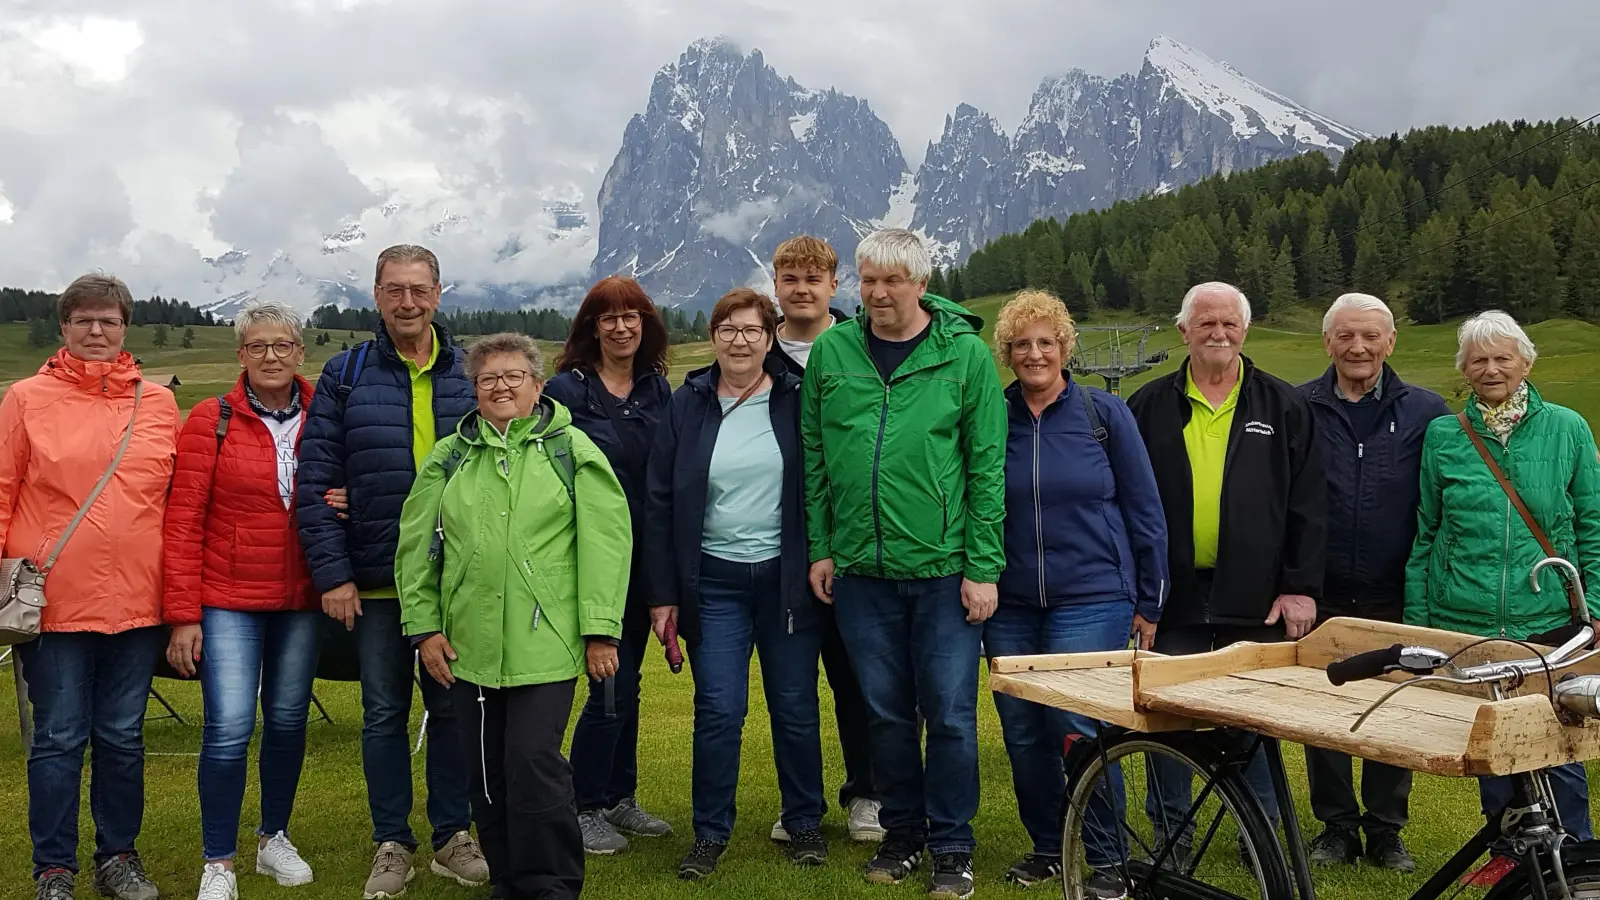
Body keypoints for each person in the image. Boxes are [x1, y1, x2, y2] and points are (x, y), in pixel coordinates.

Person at [802, 227, 1006, 900]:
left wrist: (983, 567)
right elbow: (815, 459)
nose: (878, 293)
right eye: (868, 279)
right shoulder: (833, 351)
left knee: (948, 713)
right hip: (862, 572)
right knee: (885, 713)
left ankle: (952, 845)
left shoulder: (966, 356)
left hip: (945, 570)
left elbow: (986, 467)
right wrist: (824, 547)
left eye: (893, 280)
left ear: (922, 284)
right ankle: (902, 834)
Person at [395, 333, 632, 900]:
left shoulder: (571, 450)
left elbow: (606, 542)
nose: (500, 386)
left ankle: (551, 886)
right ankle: (508, 881)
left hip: (544, 641)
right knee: (486, 773)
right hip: (467, 645)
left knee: (532, 762)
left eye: (512, 376)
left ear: (537, 384)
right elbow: (415, 545)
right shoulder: (450, 456)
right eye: (487, 379)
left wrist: (601, 631)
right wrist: (425, 627)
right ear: (474, 390)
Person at [296, 244, 488, 897]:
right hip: (376, 581)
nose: (407, 302)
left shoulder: (470, 373)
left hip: (454, 580)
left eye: (419, 289)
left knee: (453, 709)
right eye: (394, 289)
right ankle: (391, 842)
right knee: (383, 713)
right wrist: (333, 575)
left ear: (439, 293)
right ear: (376, 295)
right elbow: (316, 485)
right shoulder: (345, 374)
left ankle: (452, 836)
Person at [1124, 281, 1325, 860]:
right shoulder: (1148, 405)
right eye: (1205, 323)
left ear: (1245, 330)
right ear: (1183, 330)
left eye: (1229, 323)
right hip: (1173, 596)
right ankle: (1172, 837)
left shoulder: (1284, 405)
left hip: (1256, 596)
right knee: (1166, 719)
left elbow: (1309, 505)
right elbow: (1126, 504)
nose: (1218, 333)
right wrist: (1139, 592)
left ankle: (1258, 835)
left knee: (1253, 721)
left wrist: (1299, 589)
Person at [0, 274, 181, 900]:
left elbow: (178, 501)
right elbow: (1, 490)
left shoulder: (157, 404)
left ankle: (118, 858)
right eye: (84, 321)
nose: (97, 331)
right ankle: (53, 868)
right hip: (54, 601)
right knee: (56, 739)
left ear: (125, 327)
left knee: (122, 738)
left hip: (138, 600)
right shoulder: (25, 398)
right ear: (64, 328)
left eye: (108, 320)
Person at [1406, 309, 1600, 888]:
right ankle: (1512, 859)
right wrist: (1421, 624)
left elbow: (1592, 524)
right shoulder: (1444, 435)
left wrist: (1597, 606)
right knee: (1496, 749)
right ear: (1464, 370)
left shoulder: (1567, 428)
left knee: (1556, 743)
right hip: (1465, 620)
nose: (1491, 369)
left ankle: (1577, 861)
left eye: (1502, 358)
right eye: (1478, 360)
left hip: (1547, 621)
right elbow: (1427, 529)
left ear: (1525, 363)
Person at [987, 290, 1167, 896]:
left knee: (1074, 723)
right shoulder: (992, 414)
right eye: (1021, 344)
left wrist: (1151, 600)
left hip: (1093, 595)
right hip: (1009, 602)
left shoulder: (1101, 414)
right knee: (1022, 728)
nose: (1034, 353)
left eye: (1046, 342)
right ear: (1006, 353)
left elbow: (1144, 507)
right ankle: (1046, 845)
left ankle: (1110, 859)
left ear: (1065, 348)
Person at [645, 288, 828, 879]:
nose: (740, 340)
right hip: (714, 583)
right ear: (713, 336)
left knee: (796, 707)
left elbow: (823, 479)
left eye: (752, 330)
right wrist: (664, 593)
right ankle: (709, 834)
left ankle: (804, 823)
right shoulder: (689, 401)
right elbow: (660, 500)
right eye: (728, 329)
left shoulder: (798, 397)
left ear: (771, 337)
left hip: (786, 582)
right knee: (719, 709)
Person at [162, 300, 327, 900]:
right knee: (230, 726)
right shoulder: (212, 418)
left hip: (303, 596)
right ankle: (219, 861)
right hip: (227, 596)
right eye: (258, 346)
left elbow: (352, 485)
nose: (271, 356)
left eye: (282, 345)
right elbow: (182, 522)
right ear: (242, 355)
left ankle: (273, 838)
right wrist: (182, 615)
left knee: (287, 721)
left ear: (300, 352)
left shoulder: (325, 414)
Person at [1297, 293, 1448, 874]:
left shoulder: (1426, 410)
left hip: (1396, 590)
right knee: (1326, 707)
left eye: (1370, 337)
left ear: (1390, 343)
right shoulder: (1299, 404)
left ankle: (1387, 831)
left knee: (1393, 707)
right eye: (1345, 336)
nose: (1357, 348)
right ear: (1328, 342)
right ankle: (1336, 827)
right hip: (1323, 587)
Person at [543, 276, 674, 855]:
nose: (622, 327)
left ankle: (620, 796)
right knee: (608, 682)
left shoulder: (656, 388)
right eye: (609, 317)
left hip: (647, 559)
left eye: (632, 316)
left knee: (631, 682)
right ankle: (583, 804)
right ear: (590, 327)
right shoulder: (566, 393)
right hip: (593, 559)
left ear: (646, 325)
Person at [764, 235, 883, 845]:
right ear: (776, 286)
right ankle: (799, 806)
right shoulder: (760, 359)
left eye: (814, 278)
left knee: (861, 682)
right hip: (782, 550)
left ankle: (868, 795)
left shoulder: (861, 349)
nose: (802, 288)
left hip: (857, 545)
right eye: (790, 278)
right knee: (790, 691)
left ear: (833, 284)